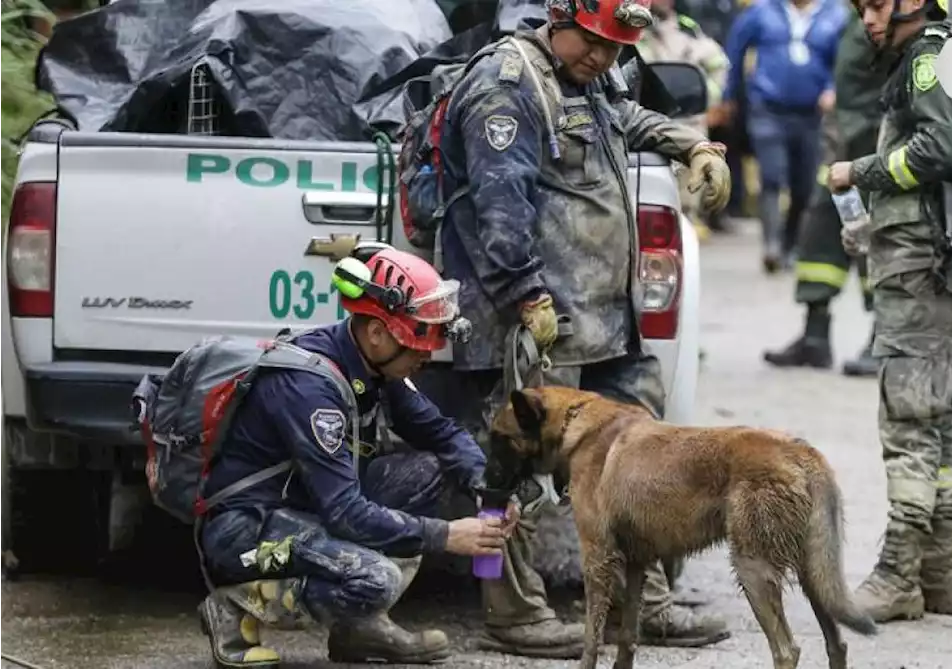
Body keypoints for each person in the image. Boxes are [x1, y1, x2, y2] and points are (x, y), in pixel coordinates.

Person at [436, 0, 734, 658]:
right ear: (559, 16)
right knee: (503, 473)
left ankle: (644, 602)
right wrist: (523, 294)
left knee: (641, 461)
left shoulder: (588, 76)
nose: (603, 57)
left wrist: (692, 144)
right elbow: (498, 206)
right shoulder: (507, 86)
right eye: (594, 41)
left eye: (618, 46)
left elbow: (622, 118)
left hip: (600, 318)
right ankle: (509, 608)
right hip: (526, 315)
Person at [197, 248, 507, 667]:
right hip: (247, 532)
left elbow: (442, 433)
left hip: (307, 507)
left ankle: (358, 634)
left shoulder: (374, 364)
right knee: (376, 578)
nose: (427, 355)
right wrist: (446, 534)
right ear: (378, 332)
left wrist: (488, 488)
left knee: (429, 473)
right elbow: (345, 512)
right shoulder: (311, 388)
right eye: (417, 342)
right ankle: (234, 606)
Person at [827, 0, 952, 623]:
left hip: (919, 263)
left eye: (878, 5)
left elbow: (940, 148)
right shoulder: (936, 52)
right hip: (926, 258)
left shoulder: (927, 58)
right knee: (935, 413)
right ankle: (943, 574)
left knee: (909, 417)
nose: (867, 18)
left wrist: (858, 171)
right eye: (861, 7)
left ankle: (898, 577)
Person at [761, 11, 883, 376]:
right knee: (819, 239)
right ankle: (814, 337)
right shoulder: (854, 15)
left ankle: (885, 339)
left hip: (874, 153)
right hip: (839, 148)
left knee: (873, 246)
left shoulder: (901, 14)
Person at [722, 0, 849, 273]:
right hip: (768, 109)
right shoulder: (763, 11)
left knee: (804, 186)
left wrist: (832, 89)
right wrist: (729, 95)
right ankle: (772, 245)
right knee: (771, 176)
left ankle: (791, 244)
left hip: (811, 115)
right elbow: (735, 49)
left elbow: (844, 60)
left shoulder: (835, 14)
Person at [636, 0, 733, 239]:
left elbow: (719, 65)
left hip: (687, 123)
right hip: (639, 123)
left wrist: (700, 96)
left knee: (686, 205)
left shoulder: (688, 30)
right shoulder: (631, 27)